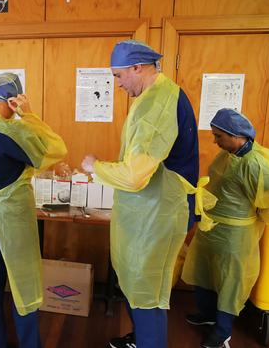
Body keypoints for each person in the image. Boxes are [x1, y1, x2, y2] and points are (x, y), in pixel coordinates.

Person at [81, 39, 201, 348]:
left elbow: (135, 175)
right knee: (136, 283)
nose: (117, 84)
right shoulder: (153, 96)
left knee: (148, 293)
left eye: (119, 76)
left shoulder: (158, 102)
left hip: (160, 213)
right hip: (148, 212)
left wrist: (97, 168)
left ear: (138, 67)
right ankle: (141, 340)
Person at [0, 73, 67, 348]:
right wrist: (29, 116)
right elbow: (55, 149)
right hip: (12, 220)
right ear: (13, 100)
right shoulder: (11, 130)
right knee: (24, 285)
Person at [182, 109, 269, 348]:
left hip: (234, 235)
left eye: (219, 136)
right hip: (212, 228)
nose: (215, 141)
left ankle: (222, 331)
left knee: (230, 282)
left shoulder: (255, 164)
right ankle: (208, 315)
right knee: (204, 273)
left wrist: (257, 217)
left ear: (237, 135)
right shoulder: (229, 155)